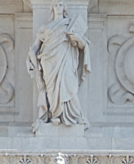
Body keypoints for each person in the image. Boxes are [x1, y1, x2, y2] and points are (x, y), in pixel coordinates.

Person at [29, 0, 90, 132]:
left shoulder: (70, 25)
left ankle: (75, 116)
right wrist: (33, 60)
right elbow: (35, 47)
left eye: (60, 5)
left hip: (67, 60)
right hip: (48, 61)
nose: (58, 7)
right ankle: (55, 115)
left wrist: (77, 38)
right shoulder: (45, 27)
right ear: (52, 8)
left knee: (70, 86)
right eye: (55, 5)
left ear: (64, 8)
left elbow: (83, 46)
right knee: (51, 89)